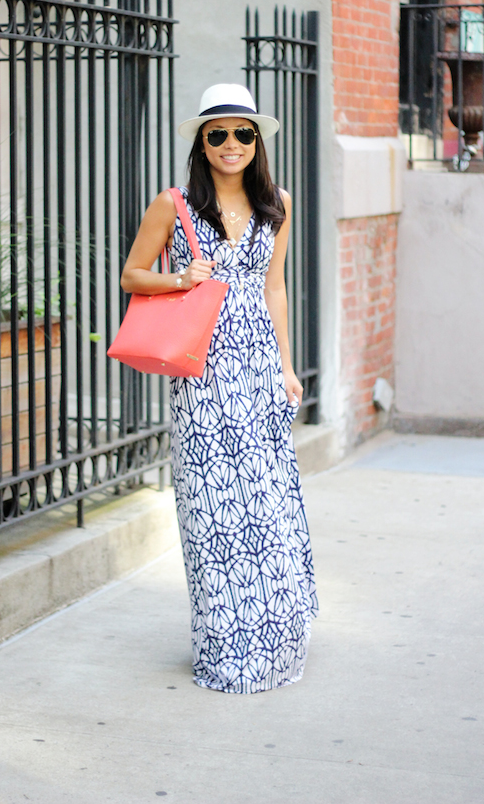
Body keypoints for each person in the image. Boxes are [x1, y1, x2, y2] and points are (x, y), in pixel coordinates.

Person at [120, 83, 318, 693]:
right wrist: (179, 276)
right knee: (211, 511)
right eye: (218, 134)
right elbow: (131, 274)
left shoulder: (277, 204)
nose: (231, 144)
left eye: (243, 133)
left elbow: (274, 288)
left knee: (265, 505)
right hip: (201, 375)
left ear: (257, 141)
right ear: (201, 143)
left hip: (257, 367)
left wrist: (286, 365)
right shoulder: (173, 204)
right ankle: (225, 646)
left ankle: (275, 632)